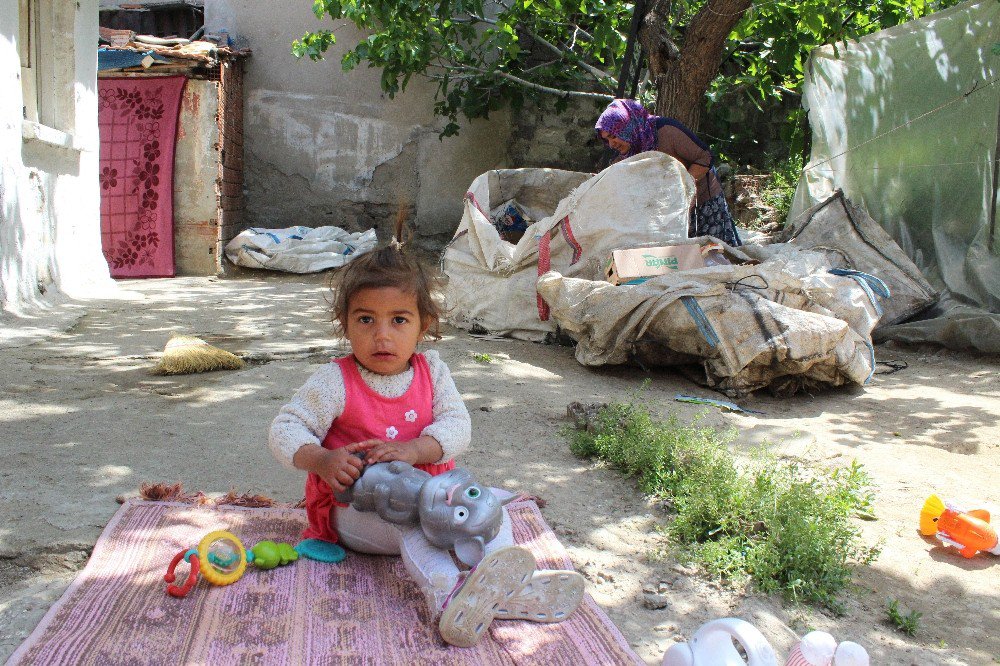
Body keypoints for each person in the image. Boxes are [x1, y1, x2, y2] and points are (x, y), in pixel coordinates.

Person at [269, 240, 583, 647]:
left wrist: (416, 449)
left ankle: (503, 581)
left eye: (399, 320)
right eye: (365, 319)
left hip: (436, 494)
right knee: (415, 526)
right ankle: (448, 596)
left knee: (488, 508)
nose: (382, 335)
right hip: (357, 510)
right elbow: (286, 428)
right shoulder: (334, 381)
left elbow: (457, 426)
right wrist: (322, 460)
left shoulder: (431, 371)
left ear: (424, 325)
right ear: (345, 324)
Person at [595, 98, 742, 247]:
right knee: (678, 256)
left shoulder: (667, 131)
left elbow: (705, 157)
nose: (611, 144)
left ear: (628, 127)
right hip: (666, 210)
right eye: (606, 139)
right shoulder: (625, 152)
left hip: (703, 203)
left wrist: (683, 186)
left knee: (715, 253)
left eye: (613, 136)